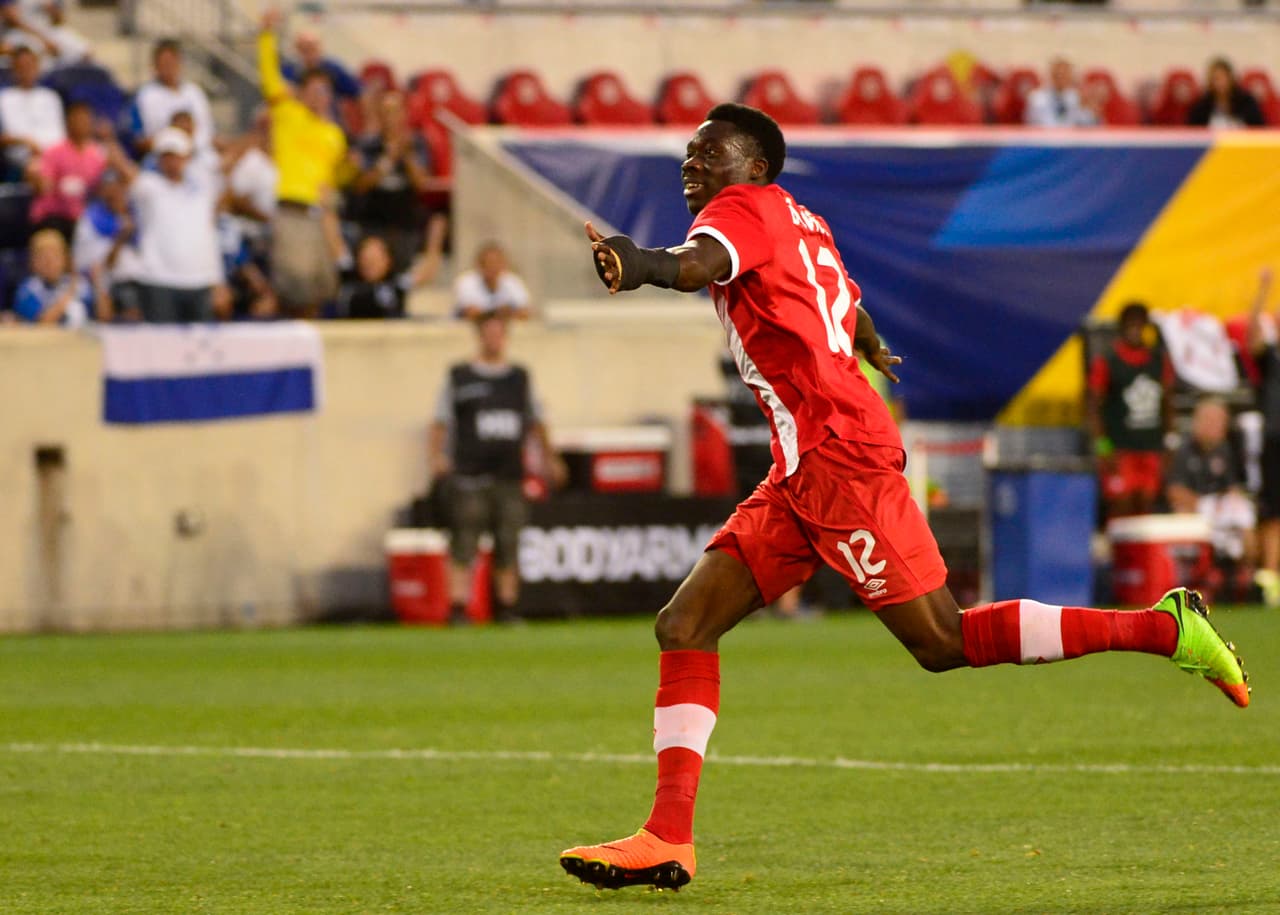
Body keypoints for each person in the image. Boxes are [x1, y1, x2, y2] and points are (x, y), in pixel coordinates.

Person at [557, 103, 1249, 894]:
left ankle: (1167, 630)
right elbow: (842, 301)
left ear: (750, 166)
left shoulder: (737, 210)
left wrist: (635, 261)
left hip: (839, 458)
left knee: (941, 641)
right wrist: (870, 342)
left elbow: (701, 263)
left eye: (706, 153)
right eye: (687, 154)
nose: (691, 166)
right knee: (684, 623)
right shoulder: (801, 220)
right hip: (804, 466)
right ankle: (666, 837)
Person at [427, 312, 563, 624]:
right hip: (469, 475)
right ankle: (458, 607)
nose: (493, 339)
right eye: (488, 333)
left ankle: (507, 606)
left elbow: (536, 422)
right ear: (479, 336)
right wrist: (436, 456)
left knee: (508, 543)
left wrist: (549, 458)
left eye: (499, 333)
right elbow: (439, 422)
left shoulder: (519, 378)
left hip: (508, 475)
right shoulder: (460, 376)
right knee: (463, 541)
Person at [258, 9, 349, 318]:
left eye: (325, 90)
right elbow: (270, 78)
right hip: (293, 209)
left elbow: (337, 175)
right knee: (292, 287)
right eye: (314, 89)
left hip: (321, 214)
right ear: (302, 91)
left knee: (321, 287)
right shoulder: (288, 114)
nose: (319, 96)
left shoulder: (334, 133)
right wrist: (267, 35)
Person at [105, 126, 222, 323]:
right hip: (158, 279)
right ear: (158, 159)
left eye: (176, 156)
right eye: (166, 156)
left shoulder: (203, 189)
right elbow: (123, 166)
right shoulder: (149, 187)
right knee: (162, 346)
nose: (171, 162)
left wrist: (217, 281)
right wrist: (108, 139)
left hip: (200, 280)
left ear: (186, 158)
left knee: (201, 348)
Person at [1086, 301, 1175, 519]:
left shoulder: (1158, 361)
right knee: (1120, 504)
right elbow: (1093, 408)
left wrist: (1170, 440)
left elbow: (1168, 403)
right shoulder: (1108, 362)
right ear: (1122, 327)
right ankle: (1119, 552)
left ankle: (1141, 553)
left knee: (1146, 503)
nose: (1135, 330)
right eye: (1130, 325)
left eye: (1139, 325)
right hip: (1120, 450)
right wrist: (1103, 447)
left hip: (1150, 448)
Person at [346, 89, 437, 271]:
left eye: (395, 111)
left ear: (404, 114)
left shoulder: (417, 143)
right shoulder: (368, 144)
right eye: (386, 112)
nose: (390, 118)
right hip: (374, 223)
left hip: (405, 224)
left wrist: (408, 157)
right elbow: (361, 185)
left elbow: (422, 184)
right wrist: (388, 159)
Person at [1166, 396, 1256, 570]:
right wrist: (1204, 505)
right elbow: (1174, 492)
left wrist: (1231, 499)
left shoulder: (1225, 450)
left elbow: (1232, 486)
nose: (1216, 426)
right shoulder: (1183, 450)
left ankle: (1248, 577)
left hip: (1218, 508)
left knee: (1244, 512)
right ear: (1197, 422)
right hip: (1195, 508)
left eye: (1220, 421)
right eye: (1211, 420)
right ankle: (1202, 573)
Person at [337, 213, 446, 319]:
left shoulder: (396, 283)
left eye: (375, 259)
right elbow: (336, 245)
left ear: (387, 260)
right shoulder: (350, 279)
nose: (370, 264)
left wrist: (435, 239)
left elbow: (425, 274)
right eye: (366, 259)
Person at [1247, 267, 1280, 605]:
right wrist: (1264, 290)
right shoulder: (1271, 359)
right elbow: (1252, 335)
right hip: (1275, 439)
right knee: (1272, 512)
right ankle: (1271, 578)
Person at [71, 168, 143, 322]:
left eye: (118, 188)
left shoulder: (136, 213)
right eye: (108, 189)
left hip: (137, 281)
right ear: (101, 192)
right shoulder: (90, 219)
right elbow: (103, 265)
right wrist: (121, 237)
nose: (114, 193)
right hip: (98, 281)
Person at [28, 100, 106, 240]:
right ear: (68, 121)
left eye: (85, 119)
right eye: (77, 119)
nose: (81, 123)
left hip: (81, 216)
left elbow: (100, 188)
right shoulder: (53, 151)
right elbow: (44, 185)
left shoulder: (97, 154)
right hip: (52, 215)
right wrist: (48, 182)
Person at [130, 39, 215, 153]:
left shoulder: (194, 92)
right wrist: (175, 139)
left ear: (180, 63)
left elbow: (207, 131)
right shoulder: (145, 96)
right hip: (164, 158)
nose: (168, 68)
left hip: (200, 153)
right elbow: (140, 140)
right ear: (155, 66)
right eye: (164, 63)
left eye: (172, 62)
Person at [14, 227, 107, 326]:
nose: (49, 262)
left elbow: (105, 317)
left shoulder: (81, 284)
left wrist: (98, 284)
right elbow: (43, 323)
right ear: (33, 262)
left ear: (65, 259)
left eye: (55, 256)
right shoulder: (28, 289)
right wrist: (70, 293)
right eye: (43, 257)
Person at [0, 45, 64, 178]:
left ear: (37, 68)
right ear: (13, 70)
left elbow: (59, 133)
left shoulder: (50, 97)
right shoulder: (4, 98)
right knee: (39, 169)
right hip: (22, 159)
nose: (26, 71)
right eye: (21, 67)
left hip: (53, 154)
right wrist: (25, 141)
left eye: (30, 65)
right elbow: (5, 137)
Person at [452, 242, 532, 321]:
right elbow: (470, 313)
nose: (493, 267)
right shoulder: (466, 281)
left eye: (497, 263)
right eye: (489, 263)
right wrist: (503, 312)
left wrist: (488, 313)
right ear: (479, 265)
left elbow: (524, 312)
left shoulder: (512, 281)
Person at [280, 29, 360, 106]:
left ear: (320, 48)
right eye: (304, 49)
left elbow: (358, 91)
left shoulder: (332, 68)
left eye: (312, 48)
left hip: (327, 116)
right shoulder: (287, 71)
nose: (309, 53)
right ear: (296, 49)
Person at [1187, 58, 1263, 129]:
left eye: (1224, 78)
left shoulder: (1246, 101)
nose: (1220, 83)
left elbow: (1259, 128)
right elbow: (1194, 131)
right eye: (1216, 79)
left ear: (1231, 78)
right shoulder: (1202, 105)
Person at [1024, 57, 1100, 128]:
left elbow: (1088, 123)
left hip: (1073, 140)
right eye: (1058, 74)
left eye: (1065, 74)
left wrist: (1088, 108)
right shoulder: (1036, 97)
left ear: (1071, 76)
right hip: (1045, 139)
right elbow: (1033, 123)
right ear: (1051, 75)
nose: (1061, 78)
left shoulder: (1078, 97)